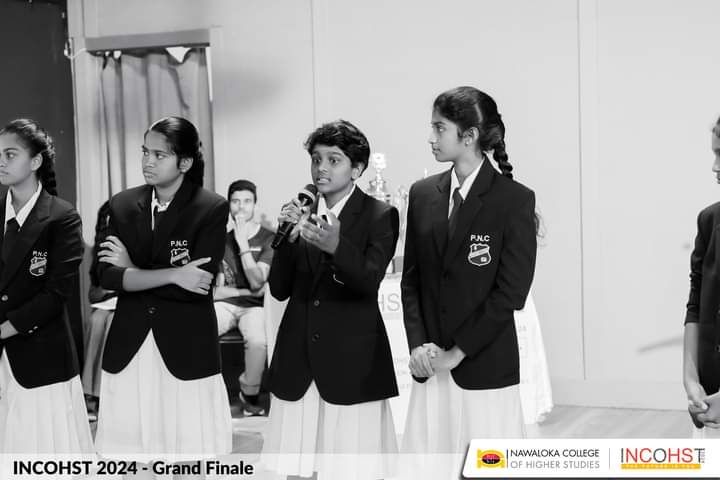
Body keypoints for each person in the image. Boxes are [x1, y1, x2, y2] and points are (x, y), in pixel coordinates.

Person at [400, 87, 537, 468]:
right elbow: (411, 281)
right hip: (431, 367)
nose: (430, 137)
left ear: (470, 135)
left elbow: (510, 293)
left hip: (484, 367)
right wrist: (419, 347)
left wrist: (456, 353)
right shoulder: (422, 194)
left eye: (439, 128)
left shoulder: (514, 200)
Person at [261, 120, 399, 480]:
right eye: (316, 159)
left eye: (333, 160)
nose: (321, 168)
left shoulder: (380, 215)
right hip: (299, 358)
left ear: (357, 168)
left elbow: (368, 281)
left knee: (351, 468)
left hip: (351, 359)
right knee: (298, 468)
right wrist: (287, 241)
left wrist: (336, 247)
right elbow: (279, 289)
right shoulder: (301, 214)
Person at [95, 116, 232, 479]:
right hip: (132, 344)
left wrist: (133, 270)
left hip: (186, 345)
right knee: (130, 459)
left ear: (184, 162)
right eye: (145, 152)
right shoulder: (122, 205)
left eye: (159, 155)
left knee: (190, 457)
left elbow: (197, 285)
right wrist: (172, 273)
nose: (148, 161)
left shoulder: (210, 207)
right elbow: (105, 276)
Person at [0, 118, 93, 453]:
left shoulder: (61, 217)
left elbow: (55, 295)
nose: (1, 162)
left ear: (36, 161)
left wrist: (5, 328)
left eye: (10, 154)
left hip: (41, 356)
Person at [214, 179, 274, 416]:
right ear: (229, 205)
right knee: (199, 329)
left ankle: (249, 394)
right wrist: (246, 292)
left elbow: (258, 281)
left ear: (255, 205)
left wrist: (242, 244)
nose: (241, 207)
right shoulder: (220, 240)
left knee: (258, 341)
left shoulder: (268, 238)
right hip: (226, 304)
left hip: (255, 307)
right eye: (235, 201)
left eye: (247, 201)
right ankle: (204, 393)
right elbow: (217, 292)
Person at [684, 115, 720, 435]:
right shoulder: (708, 221)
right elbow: (695, 303)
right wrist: (690, 379)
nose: (714, 166)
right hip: (709, 398)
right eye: (714, 154)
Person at [82, 200, 116, 421]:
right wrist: (109, 289)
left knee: (112, 324)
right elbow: (93, 294)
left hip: (131, 304)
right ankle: (89, 395)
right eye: (106, 222)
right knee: (96, 322)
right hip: (107, 302)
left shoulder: (137, 245)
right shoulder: (99, 252)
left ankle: (105, 395)